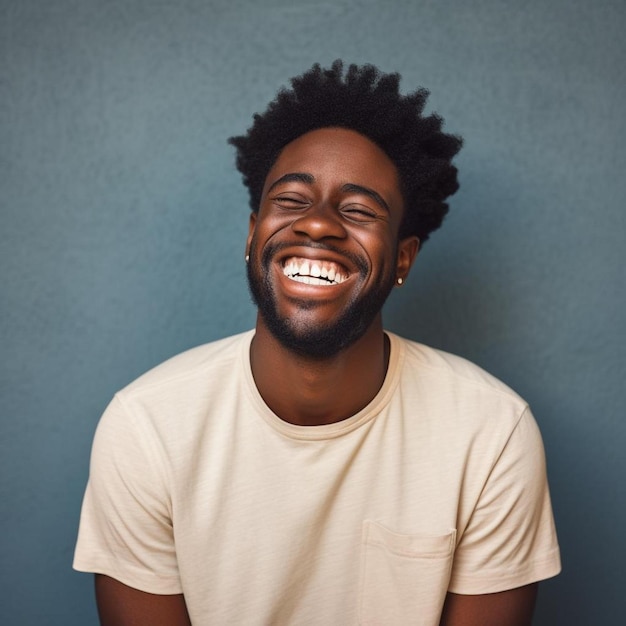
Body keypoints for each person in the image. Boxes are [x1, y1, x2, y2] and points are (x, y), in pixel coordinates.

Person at [74, 60, 561, 625]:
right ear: (252, 234)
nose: (318, 224)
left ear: (403, 257)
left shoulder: (492, 435)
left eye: (357, 210)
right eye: (292, 200)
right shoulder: (147, 429)